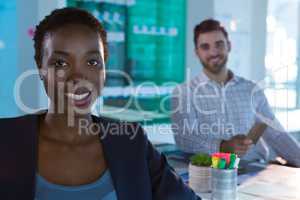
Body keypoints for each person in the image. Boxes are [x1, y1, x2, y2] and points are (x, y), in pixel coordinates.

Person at [0, 8, 201, 200]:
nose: (78, 77)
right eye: (61, 63)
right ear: (40, 67)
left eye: (92, 62)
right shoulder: (6, 140)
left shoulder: (131, 141)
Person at [171, 19, 300, 167]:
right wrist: (222, 146)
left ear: (229, 46)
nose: (213, 52)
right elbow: (184, 139)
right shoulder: (184, 93)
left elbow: (276, 133)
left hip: (255, 168)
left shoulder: (251, 90)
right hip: (212, 173)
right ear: (197, 52)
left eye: (219, 44)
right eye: (205, 47)